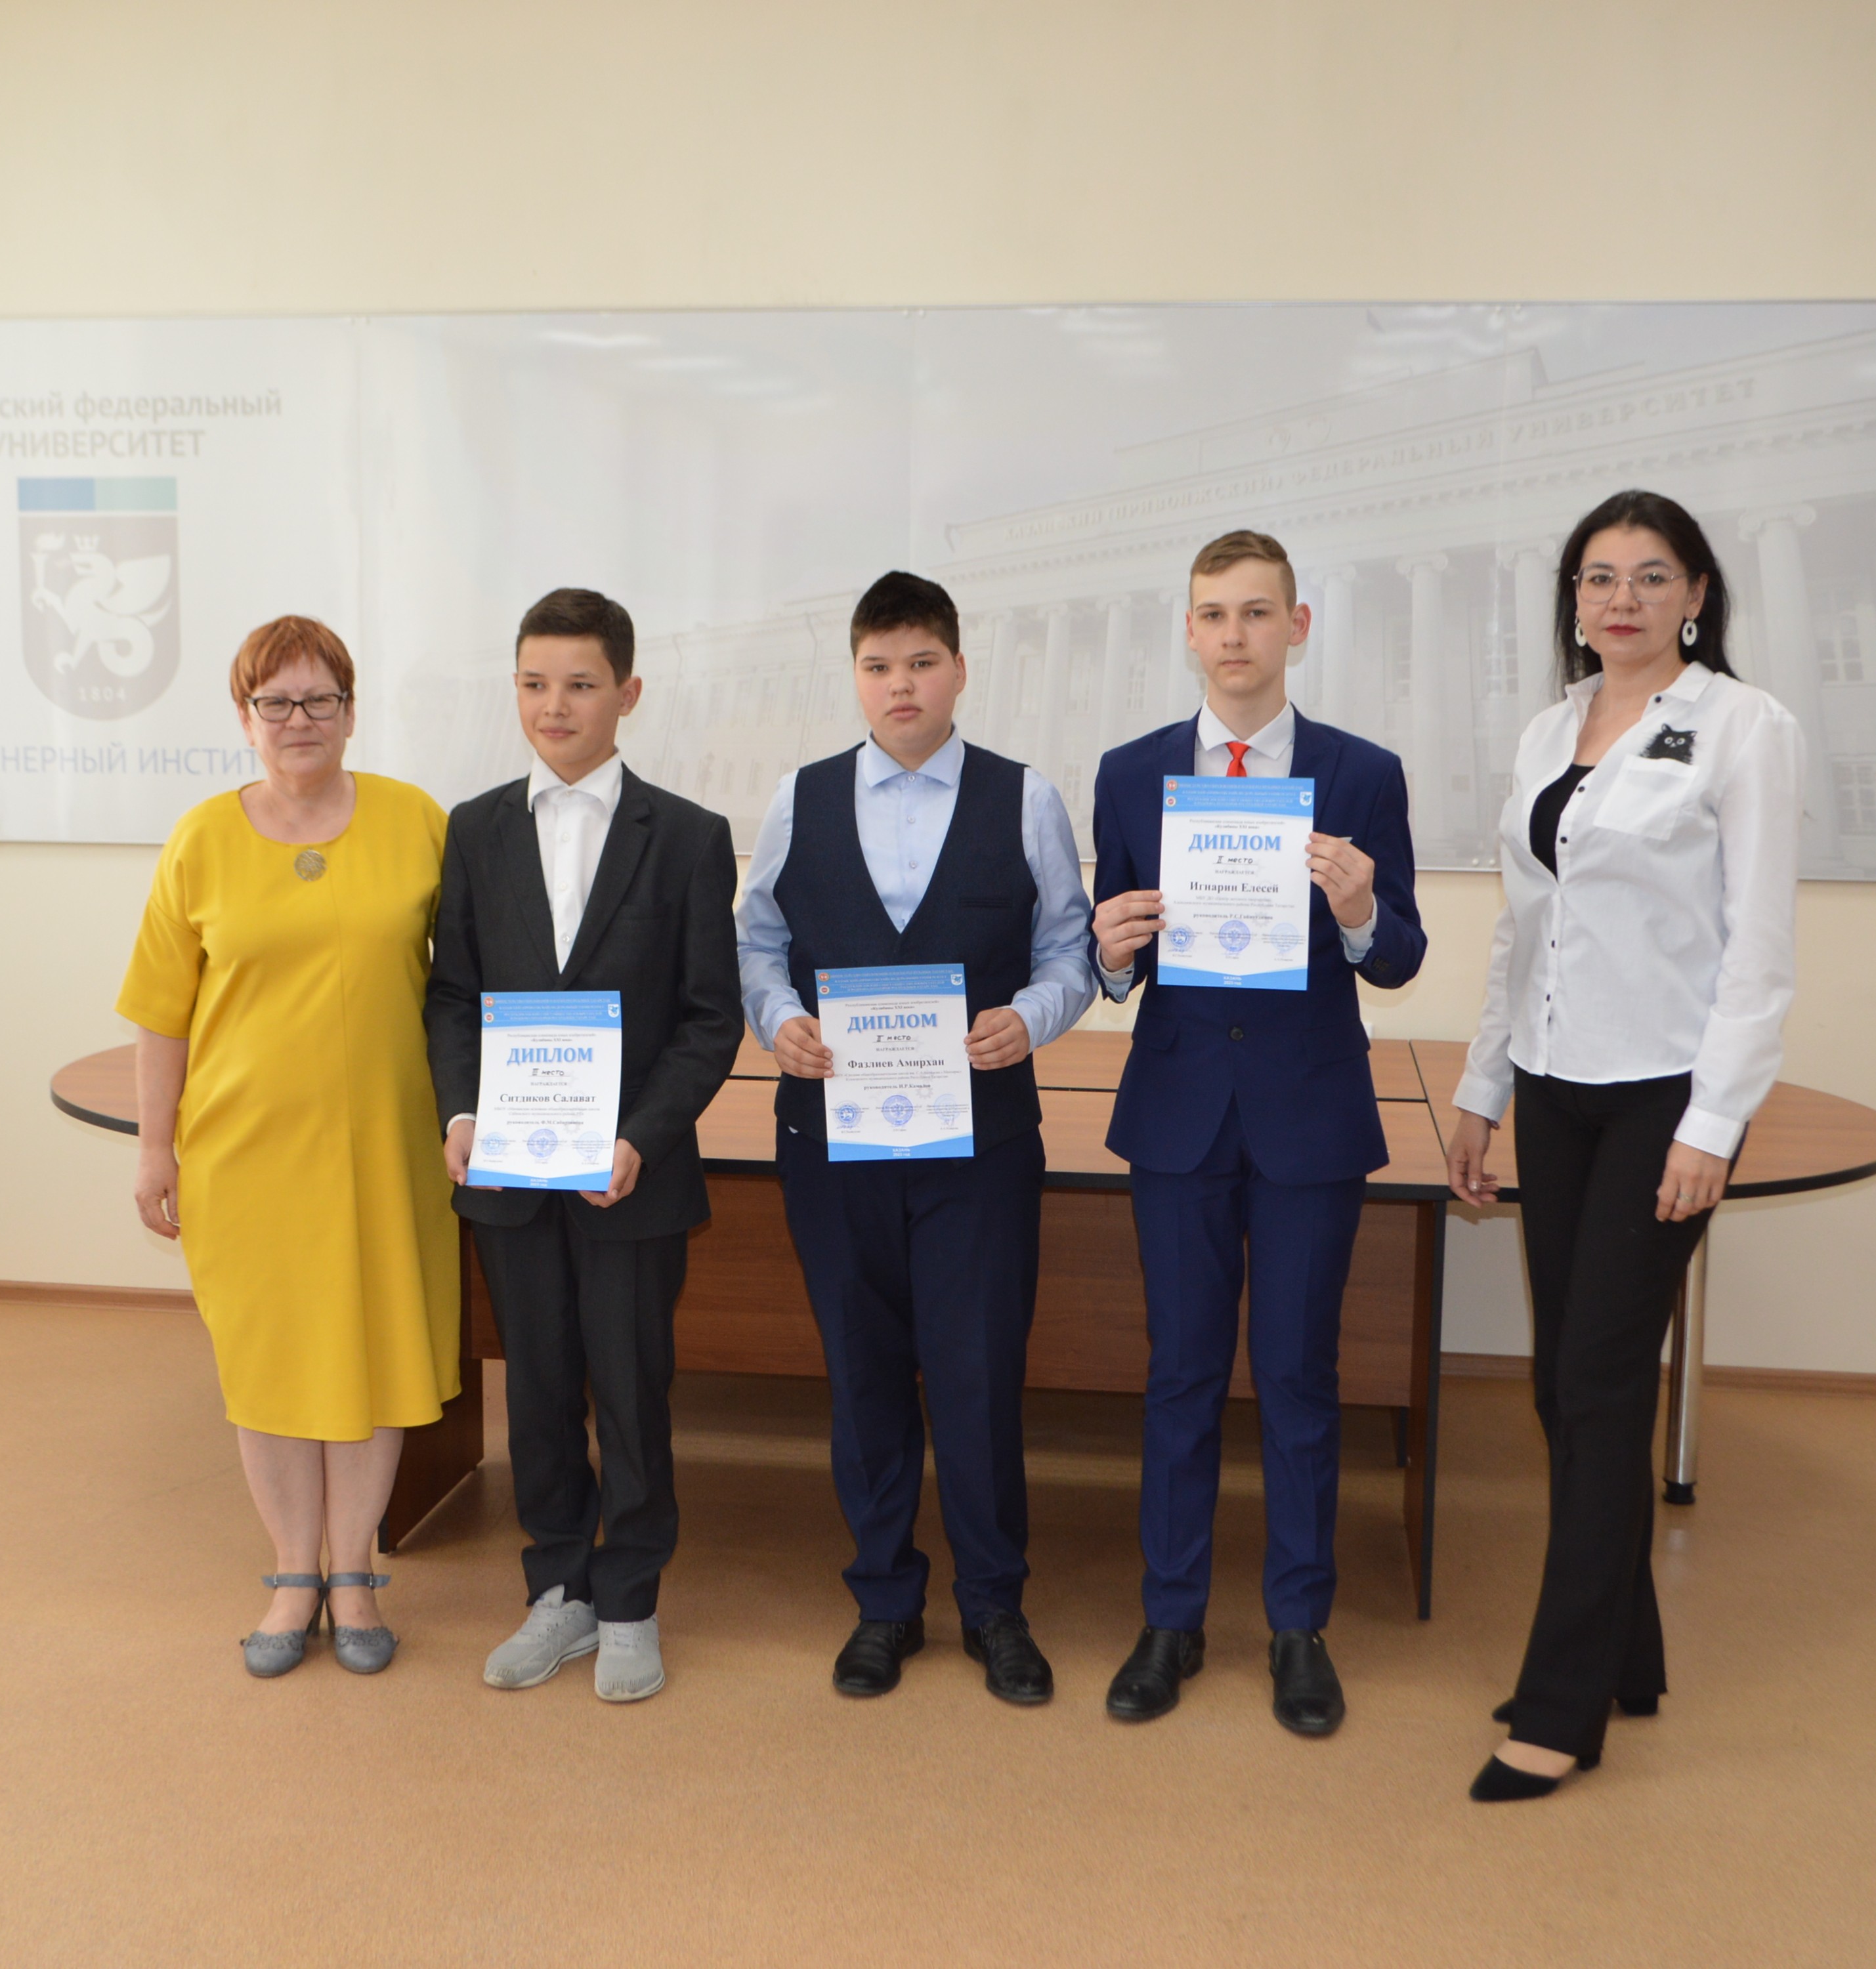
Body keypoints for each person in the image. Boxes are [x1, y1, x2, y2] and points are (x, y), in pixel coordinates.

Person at [1445, 489, 1801, 1801]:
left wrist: (1716, 1124)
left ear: (1697, 594)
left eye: (1652, 576)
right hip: (1555, 1086)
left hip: (1664, 1097)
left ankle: (1561, 1708)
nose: (1623, 599)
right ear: (1575, 599)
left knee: (1596, 1387)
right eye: (1599, 577)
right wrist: (1482, 1088)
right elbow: (1522, 929)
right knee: (1564, 1384)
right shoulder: (1553, 728)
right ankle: (1627, 1657)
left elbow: (1759, 950)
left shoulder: (1744, 727)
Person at [735, 570, 1096, 1706]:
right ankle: (884, 1603)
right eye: (879, 666)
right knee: (865, 1375)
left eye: (922, 663)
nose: (902, 686)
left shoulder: (1025, 798)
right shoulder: (798, 798)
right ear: (855, 676)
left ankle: (995, 1606)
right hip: (831, 1142)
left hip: (980, 1146)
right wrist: (778, 1020)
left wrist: (1030, 1018)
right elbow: (757, 942)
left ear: (959, 670)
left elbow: (1072, 949)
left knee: (979, 1377)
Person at [1087, 529, 1425, 1738]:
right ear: (1190, 632)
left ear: (1297, 626)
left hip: (1308, 1119)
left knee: (1297, 1376)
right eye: (1213, 614)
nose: (1234, 634)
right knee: (1179, 1374)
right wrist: (1107, 952)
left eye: (1256, 611)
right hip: (1179, 1116)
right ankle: (1170, 1620)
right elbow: (1115, 956)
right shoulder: (1131, 773)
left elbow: (1400, 956)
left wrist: (1360, 909)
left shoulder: (1362, 772)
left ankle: (1298, 1627)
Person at [118, 615, 458, 1679]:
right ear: (245, 718)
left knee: (374, 1352)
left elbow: (468, 985)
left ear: (351, 712)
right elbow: (161, 1014)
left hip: (386, 1152)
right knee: (267, 1367)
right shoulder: (201, 840)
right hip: (245, 1157)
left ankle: (354, 1573)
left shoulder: (417, 822)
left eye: (320, 699)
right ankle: (292, 1577)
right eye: (276, 702)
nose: (298, 720)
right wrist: (154, 1150)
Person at [425, 588, 740, 1704]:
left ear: (628, 693)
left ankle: (633, 1599)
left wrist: (642, 1137)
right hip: (511, 1174)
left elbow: (710, 1018)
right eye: (533, 683)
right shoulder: (474, 829)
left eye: (579, 684)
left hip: (628, 1181)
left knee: (633, 1391)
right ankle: (557, 1588)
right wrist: (461, 1113)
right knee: (540, 1390)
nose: (553, 706)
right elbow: (452, 996)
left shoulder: (689, 838)